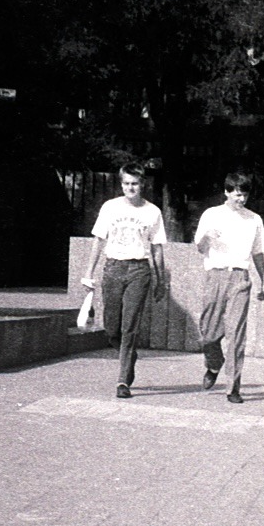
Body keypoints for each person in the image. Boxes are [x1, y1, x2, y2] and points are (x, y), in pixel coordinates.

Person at [82, 163, 167, 398]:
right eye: (127, 183)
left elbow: (157, 248)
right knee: (112, 327)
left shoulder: (153, 212)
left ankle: (123, 380)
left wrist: (161, 280)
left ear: (143, 184)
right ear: (121, 184)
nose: (131, 187)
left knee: (130, 326)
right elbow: (98, 240)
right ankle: (128, 355)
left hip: (139, 270)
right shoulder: (110, 207)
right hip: (113, 268)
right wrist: (88, 273)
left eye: (135, 183)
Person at [193, 171, 264, 404]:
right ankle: (214, 364)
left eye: (244, 195)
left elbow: (257, 252)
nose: (241, 199)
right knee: (208, 334)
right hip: (215, 276)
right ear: (226, 192)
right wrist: (207, 236)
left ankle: (233, 387)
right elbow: (200, 247)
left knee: (236, 335)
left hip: (240, 278)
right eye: (237, 194)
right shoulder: (211, 214)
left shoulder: (254, 219)